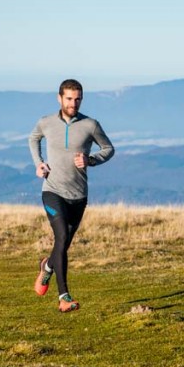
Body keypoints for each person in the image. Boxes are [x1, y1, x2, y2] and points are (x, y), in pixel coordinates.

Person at [28, 79, 115, 312]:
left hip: (79, 195)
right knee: (62, 237)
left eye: (77, 99)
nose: (73, 103)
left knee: (63, 244)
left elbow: (109, 149)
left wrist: (91, 160)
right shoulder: (46, 122)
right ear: (59, 98)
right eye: (69, 98)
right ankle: (64, 297)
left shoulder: (90, 125)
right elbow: (33, 137)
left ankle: (47, 266)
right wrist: (39, 164)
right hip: (52, 191)